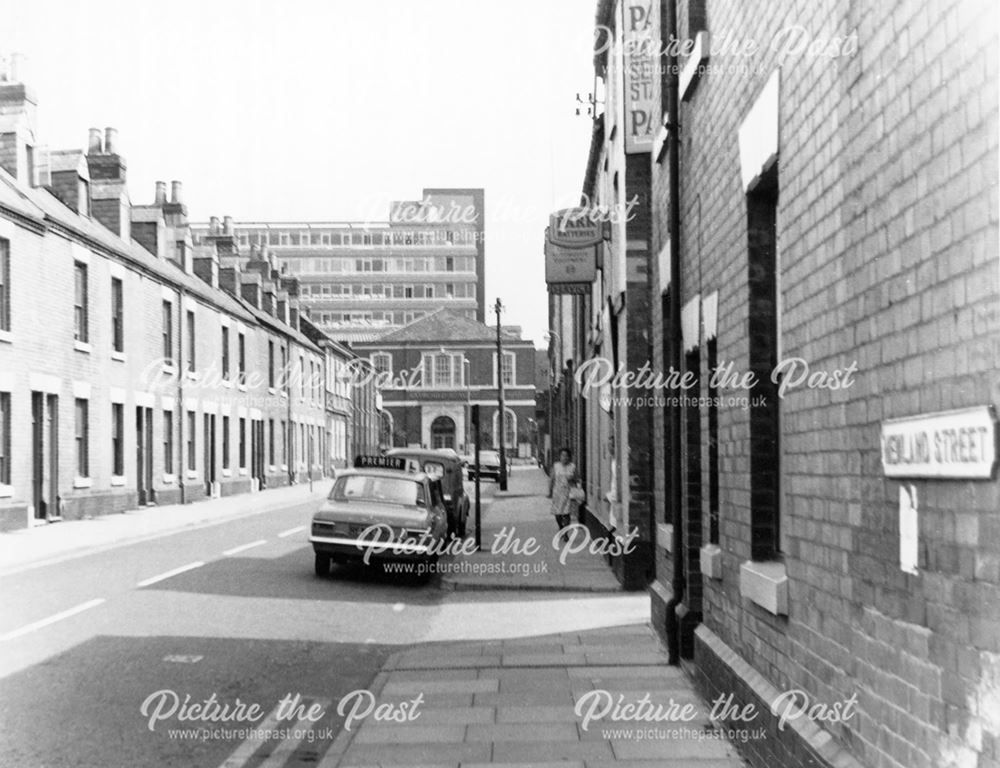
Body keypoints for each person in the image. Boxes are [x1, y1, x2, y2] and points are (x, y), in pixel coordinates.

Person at [547, 447, 579, 539]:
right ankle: (561, 527)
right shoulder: (556, 465)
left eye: (566, 456)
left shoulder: (572, 466)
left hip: (568, 493)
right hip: (557, 492)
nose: (564, 457)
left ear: (569, 457)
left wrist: (573, 479)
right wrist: (549, 491)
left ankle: (565, 533)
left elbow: (577, 478)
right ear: (560, 457)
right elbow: (552, 478)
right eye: (562, 455)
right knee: (558, 514)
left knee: (567, 513)